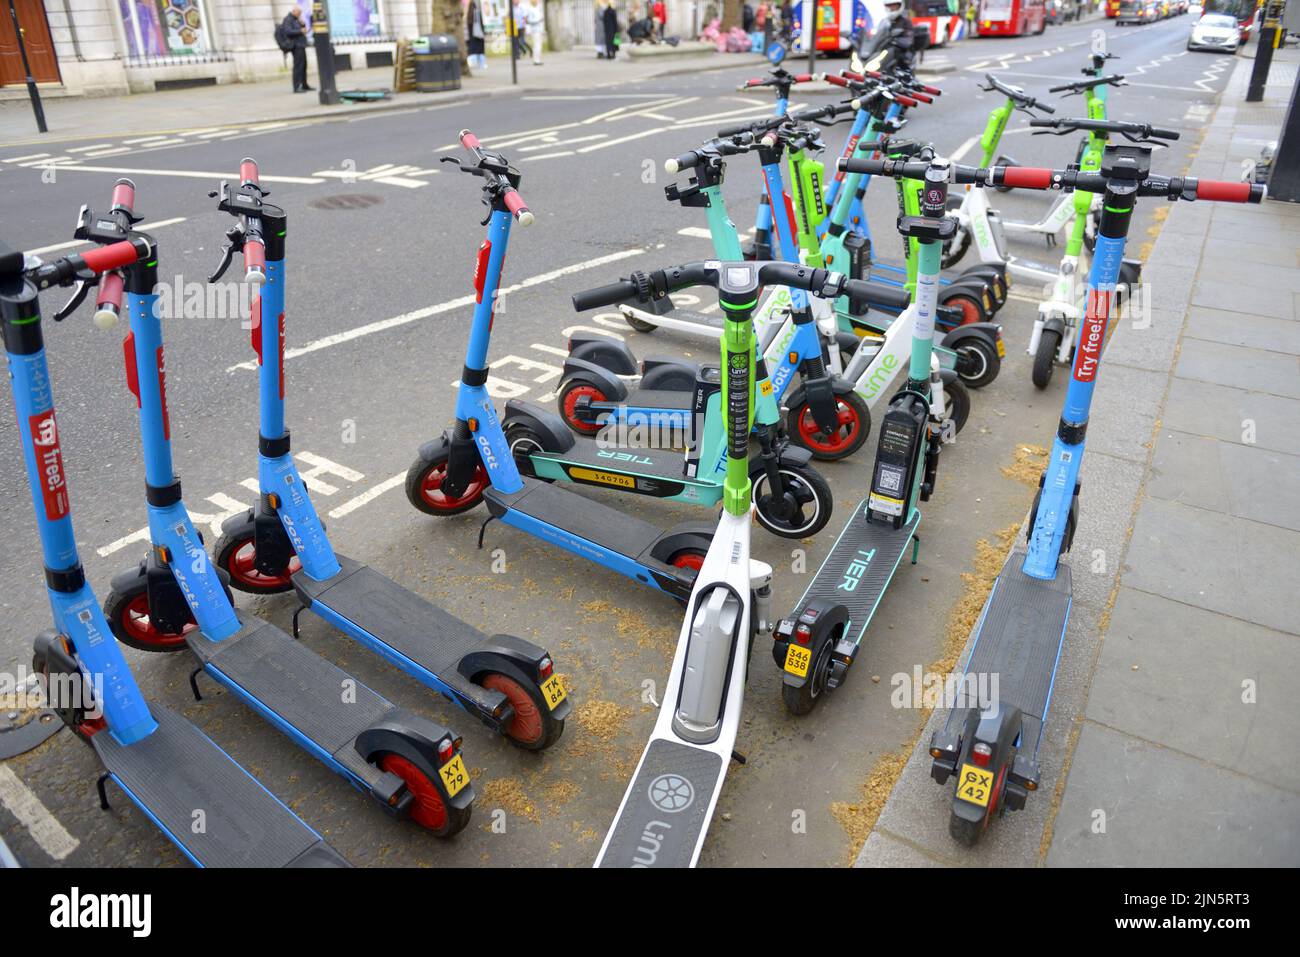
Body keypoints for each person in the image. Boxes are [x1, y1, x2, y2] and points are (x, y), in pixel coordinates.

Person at [282, 6, 312, 93]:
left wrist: (302, 24)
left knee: (303, 66)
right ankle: (297, 86)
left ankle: (304, 84)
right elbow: (288, 31)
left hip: (301, 45)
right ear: (294, 11)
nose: (300, 15)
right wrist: (300, 31)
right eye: (299, 13)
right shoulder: (288, 19)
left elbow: (301, 29)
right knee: (298, 66)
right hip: (296, 46)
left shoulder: (295, 19)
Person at [466, 0, 487, 70]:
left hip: (473, 35)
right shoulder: (476, 12)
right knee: (479, 49)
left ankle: (475, 63)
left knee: (473, 48)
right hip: (478, 34)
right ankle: (480, 64)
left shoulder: (469, 15)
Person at [525, 0, 545, 64]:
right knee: (537, 45)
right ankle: (536, 60)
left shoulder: (538, 8)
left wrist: (540, 19)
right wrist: (538, 20)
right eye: (535, 1)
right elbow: (529, 21)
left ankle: (537, 59)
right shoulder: (530, 10)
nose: (537, 2)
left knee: (539, 45)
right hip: (535, 30)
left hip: (539, 29)